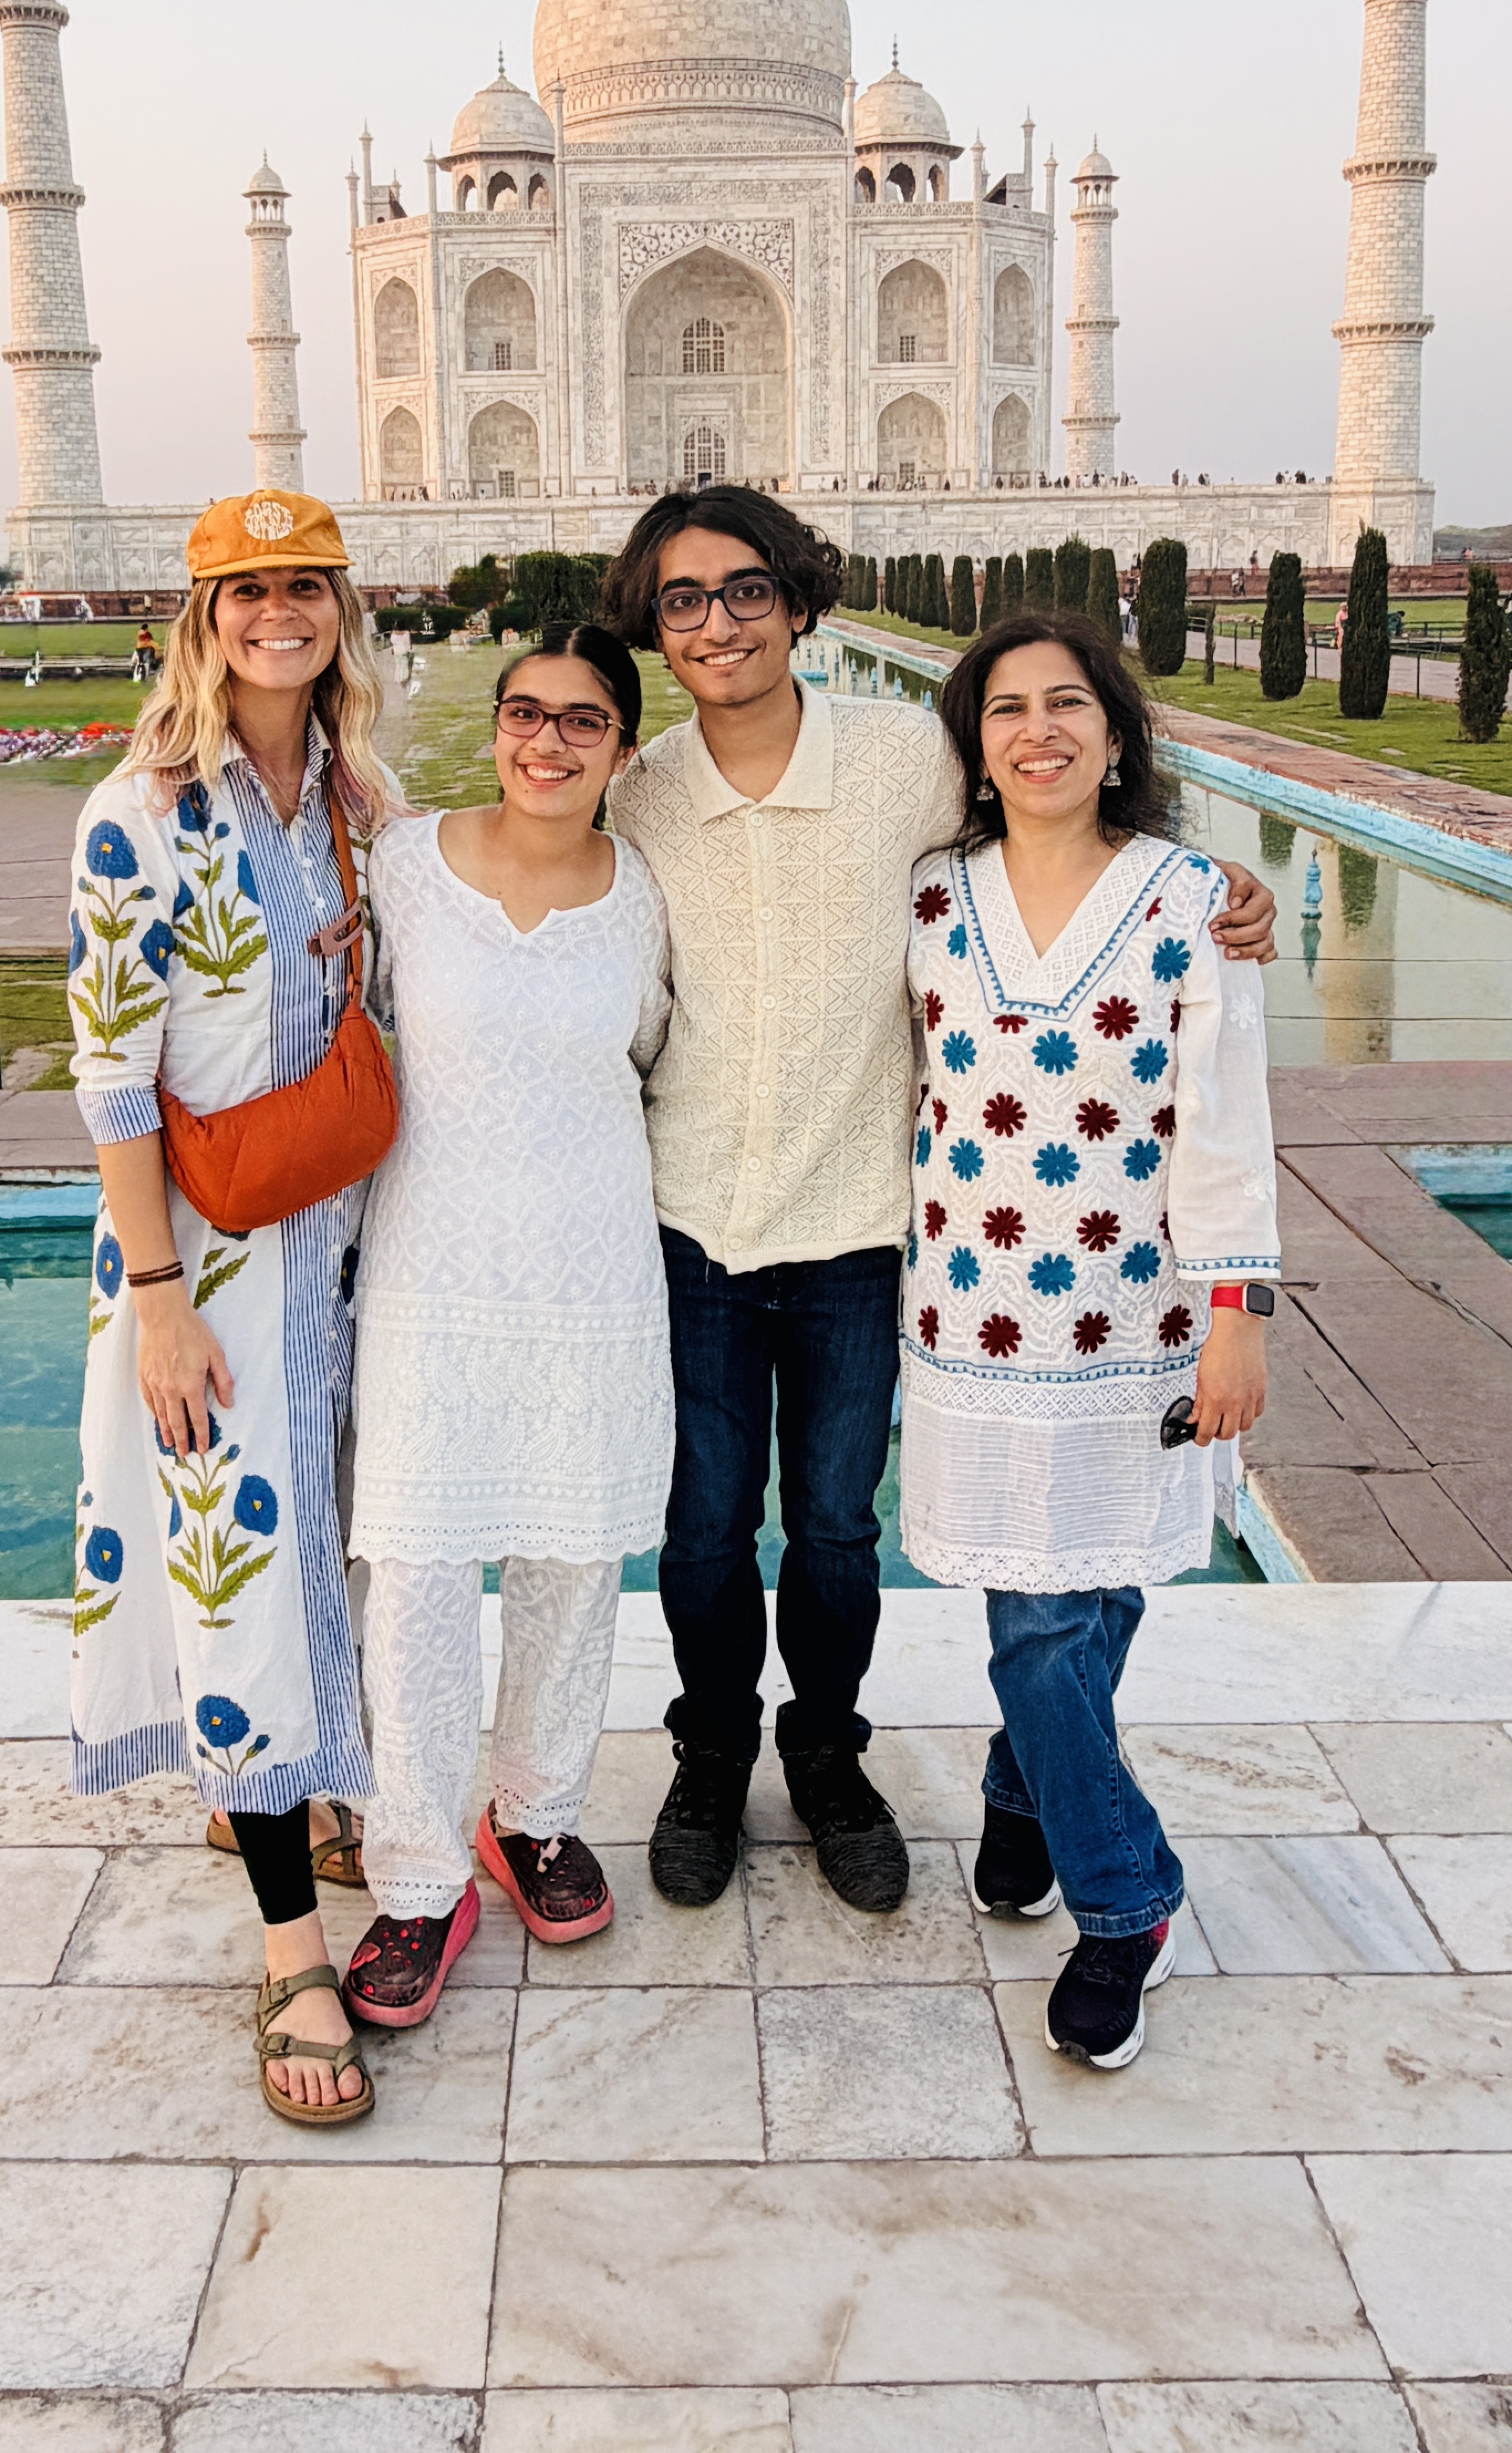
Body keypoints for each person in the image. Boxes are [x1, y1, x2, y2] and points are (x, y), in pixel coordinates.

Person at [598, 487, 1277, 1918]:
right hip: (693, 1222)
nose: (715, 621)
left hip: (859, 1228)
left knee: (835, 1532)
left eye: (742, 591)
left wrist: (1220, 887)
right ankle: (712, 1754)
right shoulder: (640, 784)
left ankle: (827, 1756)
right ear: (651, 626)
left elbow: (1060, 827)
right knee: (708, 1525)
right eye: (681, 599)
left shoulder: (902, 753)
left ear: (794, 601)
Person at [905, 610, 1277, 2068]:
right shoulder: (932, 898)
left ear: (1114, 736)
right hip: (968, 1320)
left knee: (1066, 1605)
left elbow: (1225, 1123)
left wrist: (1236, 1311)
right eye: (1006, 709)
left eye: (1067, 705)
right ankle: (1034, 1796)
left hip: (1136, 1316)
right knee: (1043, 1606)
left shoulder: (1188, 901)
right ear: (976, 745)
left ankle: (1119, 1897)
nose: (1037, 731)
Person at [64, 489, 391, 2129]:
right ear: (204, 621)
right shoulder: (139, 812)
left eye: (303, 589)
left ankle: (297, 1799)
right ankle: (291, 1953)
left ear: (339, 611)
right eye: (247, 592)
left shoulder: (351, 796)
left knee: (322, 1555)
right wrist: (153, 1299)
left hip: (342, 1256)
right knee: (241, 1584)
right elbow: (113, 1077)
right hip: (207, 1265)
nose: (280, 616)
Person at [341, 622, 672, 2022]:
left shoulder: (646, 892)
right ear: (494, 727)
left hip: (591, 1270)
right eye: (524, 715)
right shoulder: (404, 869)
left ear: (622, 747)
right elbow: (339, 1024)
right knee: (415, 1580)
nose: (546, 744)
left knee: (568, 1561)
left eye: (581, 722)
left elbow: (659, 1056)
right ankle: (415, 1878)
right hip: (431, 1268)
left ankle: (530, 1816)